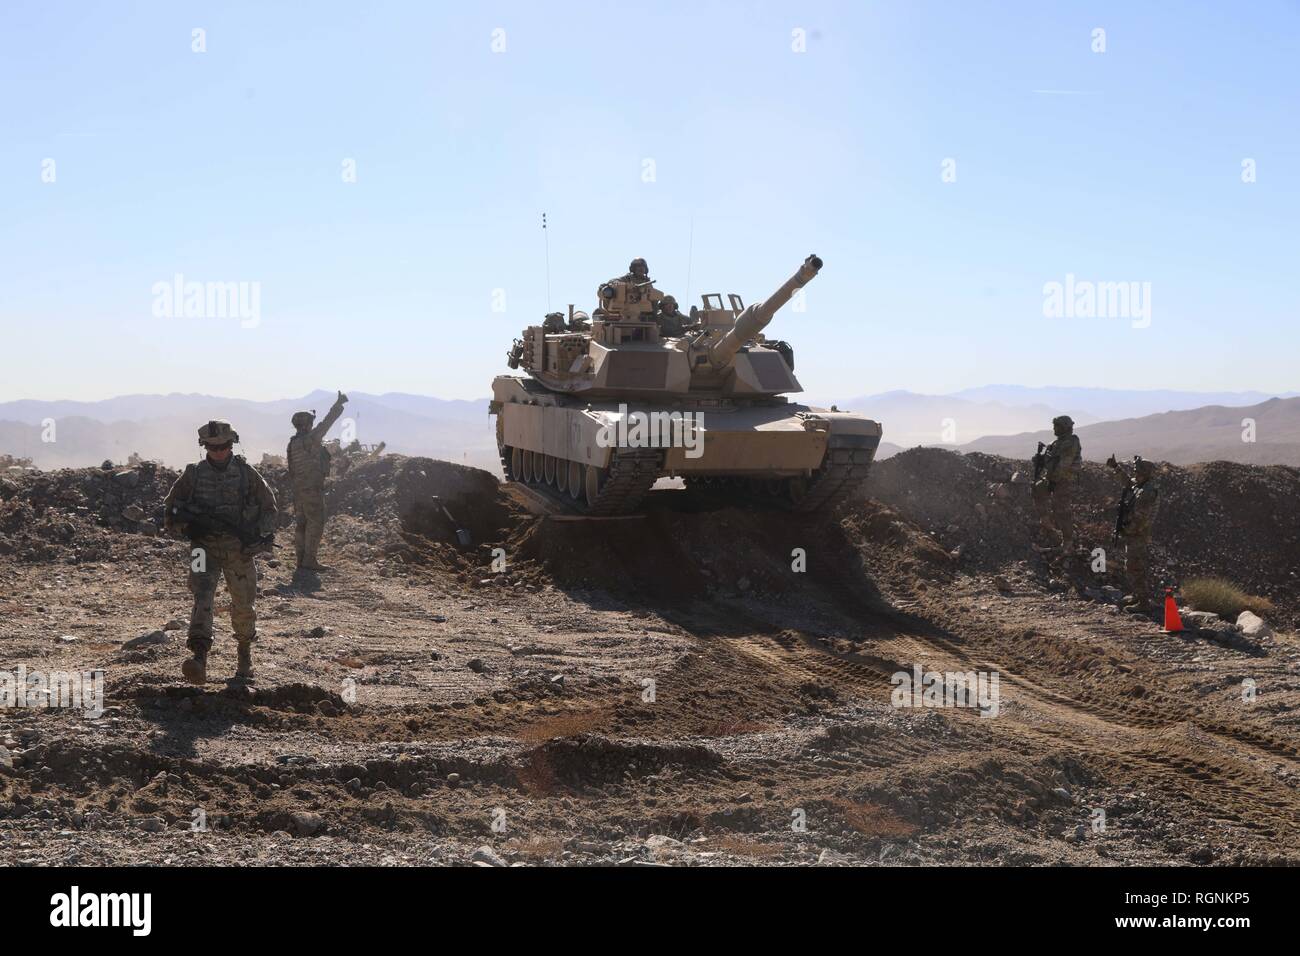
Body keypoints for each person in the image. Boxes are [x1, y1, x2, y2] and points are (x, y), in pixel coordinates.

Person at [163, 420, 277, 684]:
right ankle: (199, 657)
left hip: (239, 549)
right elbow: (170, 511)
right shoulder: (193, 474)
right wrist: (188, 527)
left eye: (224, 446)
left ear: (232, 444)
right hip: (203, 549)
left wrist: (261, 537)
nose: (219, 452)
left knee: (243, 604)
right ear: (204, 447)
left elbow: (269, 507)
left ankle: (244, 655)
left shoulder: (247, 473)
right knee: (202, 598)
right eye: (212, 448)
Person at [286, 391, 348, 571]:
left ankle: (301, 560)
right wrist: (338, 405)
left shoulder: (293, 443)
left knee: (302, 524)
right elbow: (327, 423)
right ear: (307, 424)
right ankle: (310, 560)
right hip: (311, 489)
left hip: (298, 490)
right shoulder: (310, 440)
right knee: (316, 522)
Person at [1108, 454, 1160, 614]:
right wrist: (1116, 468)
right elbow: (1128, 483)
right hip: (1133, 533)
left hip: (1138, 534)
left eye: (1137, 472)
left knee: (1135, 567)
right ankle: (1138, 595)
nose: (1135, 474)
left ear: (1145, 473)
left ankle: (1144, 602)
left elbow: (1141, 518)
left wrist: (1127, 530)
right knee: (1131, 565)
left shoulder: (1147, 492)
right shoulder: (1141, 485)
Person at [1032, 415, 1082, 572]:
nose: (1054, 429)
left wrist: (1053, 478)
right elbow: (1050, 461)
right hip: (1053, 478)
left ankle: (1068, 543)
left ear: (1066, 427)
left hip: (1064, 480)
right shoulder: (1055, 443)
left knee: (1062, 511)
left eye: (1057, 426)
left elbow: (1063, 465)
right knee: (1036, 489)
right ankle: (1045, 520)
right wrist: (1040, 460)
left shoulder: (1071, 441)